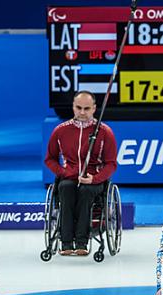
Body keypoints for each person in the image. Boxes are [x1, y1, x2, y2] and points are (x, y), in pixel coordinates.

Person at [44, 90, 118, 256]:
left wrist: (95, 179)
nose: (82, 112)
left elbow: (111, 164)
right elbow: (50, 159)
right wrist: (63, 173)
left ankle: (82, 242)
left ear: (94, 108)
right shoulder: (60, 131)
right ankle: (66, 242)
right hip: (68, 177)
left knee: (85, 191)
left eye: (86, 108)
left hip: (94, 180)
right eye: (78, 108)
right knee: (65, 189)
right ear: (73, 107)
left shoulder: (105, 132)